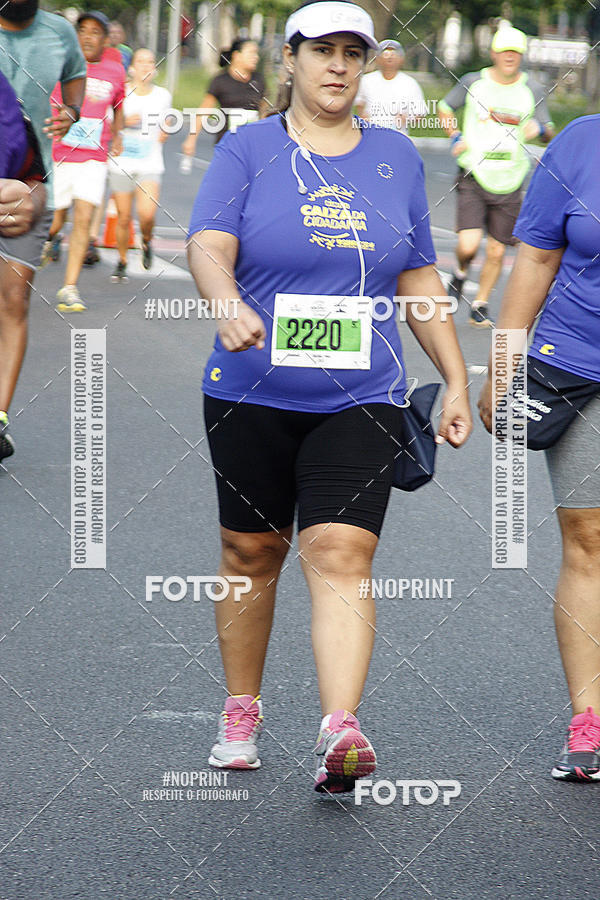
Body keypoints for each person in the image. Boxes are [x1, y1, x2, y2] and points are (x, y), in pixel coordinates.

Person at [187, 0, 472, 794]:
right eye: (323, 50)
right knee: (251, 552)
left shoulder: (394, 157)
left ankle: (338, 727)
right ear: (291, 59)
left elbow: (418, 274)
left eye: (354, 52)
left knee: (343, 552)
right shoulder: (249, 148)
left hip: (363, 394)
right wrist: (225, 303)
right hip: (251, 389)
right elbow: (208, 244)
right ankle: (241, 709)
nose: (339, 65)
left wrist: (456, 376)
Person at [478, 115, 600, 782]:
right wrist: (503, 364)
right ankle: (590, 721)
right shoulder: (580, 142)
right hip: (579, 362)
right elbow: (536, 258)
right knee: (589, 538)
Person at [0, 0, 86, 461]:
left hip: (29, 184)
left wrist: (71, 110)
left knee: (13, 298)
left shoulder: (59, 32)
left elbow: (76, 77)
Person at [438, 26, 554, 327]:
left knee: (496, 249)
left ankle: (480, 303)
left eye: (515, 52)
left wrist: (541, 130)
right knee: (468, 245)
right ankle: (460, 272)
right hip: (474, 172)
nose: (509, 57)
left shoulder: (533, 89)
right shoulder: (473, 81)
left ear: (522, 56)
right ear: (493, 54)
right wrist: (455, 136)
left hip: (511, 178)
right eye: (504, 52)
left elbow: (549, 130)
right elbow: (445, 107)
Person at [45, 10, 124, 312]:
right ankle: (47, 240)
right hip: (59, 154)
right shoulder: (63, 63)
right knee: (54, 220)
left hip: (93, 157)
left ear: (105, 39)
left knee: (83, 219)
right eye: (83, 30)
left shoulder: (115, 70)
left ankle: (70, 287)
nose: (88, 37)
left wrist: (117, 135)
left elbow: (119, 105)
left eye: (95, 32)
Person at [107, 48, 171, 281]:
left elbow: (167, 120)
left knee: (146, 214)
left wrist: (166, 129)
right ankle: (122, 260)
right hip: (121, 162)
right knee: (123, 217)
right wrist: (123, 122)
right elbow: (106, 124)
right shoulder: (121, 93)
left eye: (150, 62)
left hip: (149, 162)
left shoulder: (162, 95)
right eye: (141, 61)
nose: (146, 66)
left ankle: (146, 240)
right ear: (132, 68)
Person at [181, 38, 265, 159]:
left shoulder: (259, 80)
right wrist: (191, 139)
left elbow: (264, 112)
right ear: (237, 55)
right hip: (227, 144)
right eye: (251, 53)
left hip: (251, 145)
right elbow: (204, 110)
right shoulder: (220, 81)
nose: (255, 57)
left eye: (256, 53)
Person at [355, 39, 427, 135]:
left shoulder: (410, 84)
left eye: (394, 54)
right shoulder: (366, 80)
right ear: (377, 58)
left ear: (401, 59)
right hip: (370, 133)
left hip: (398, 135)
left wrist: (406, 118)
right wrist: (363, 118)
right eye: (385, 54)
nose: (389, 57)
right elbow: (359, 103)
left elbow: (420, 113)